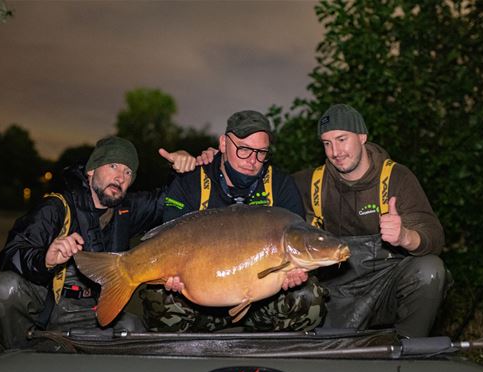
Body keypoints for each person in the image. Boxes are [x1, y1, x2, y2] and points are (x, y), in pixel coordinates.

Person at [0, 136, 197, 349]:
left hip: (90, 311)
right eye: (113, 166)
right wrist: (45, 260)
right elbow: (10, 253)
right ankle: (20, 356)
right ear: (91, 171)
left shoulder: (127, 209)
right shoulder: (56, 206)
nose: (120, 177)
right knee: (5, 288)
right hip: (49, 305)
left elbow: (170, 200)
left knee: (133, 329)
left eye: (128, 172)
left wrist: (185, 170)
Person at [139, 110, 329, 333]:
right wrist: (170, 277)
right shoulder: (191, 182)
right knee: (158, 298)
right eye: (244, 149)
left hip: (263, 303)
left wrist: (295, 275)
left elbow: (298, 246)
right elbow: (167, 239)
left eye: (261, 153)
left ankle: (267, 356)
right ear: (223, 143)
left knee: (310, 299)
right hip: (200, 302)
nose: (252, 160)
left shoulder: (280, 185)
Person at [293, 104, 448, 338]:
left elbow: (434, 238)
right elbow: (264, 185)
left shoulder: (397, 178)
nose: (335, 151)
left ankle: (408, 351)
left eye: (342, 139)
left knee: (430, 270)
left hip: (387, 287)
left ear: (362, 136)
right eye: (327, 143)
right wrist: (218, 161)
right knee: (299, 297)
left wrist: (406, 236)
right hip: (335, 292)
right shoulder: (310, 183)